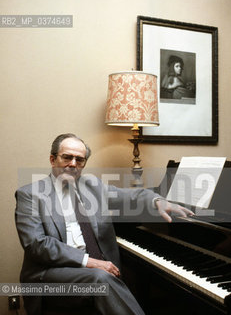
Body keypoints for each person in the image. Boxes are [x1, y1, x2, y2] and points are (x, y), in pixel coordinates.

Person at [15, 133, 193, 315]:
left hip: (95, 271)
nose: (73, 164)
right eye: (67, 157)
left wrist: (157, 201)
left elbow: (131, 196)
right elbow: (36, 245)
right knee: (100, 279)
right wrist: (90, 262)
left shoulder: (92, 186)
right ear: (53, 159)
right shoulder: (30, 195)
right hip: (50, 274)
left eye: (80, 160)